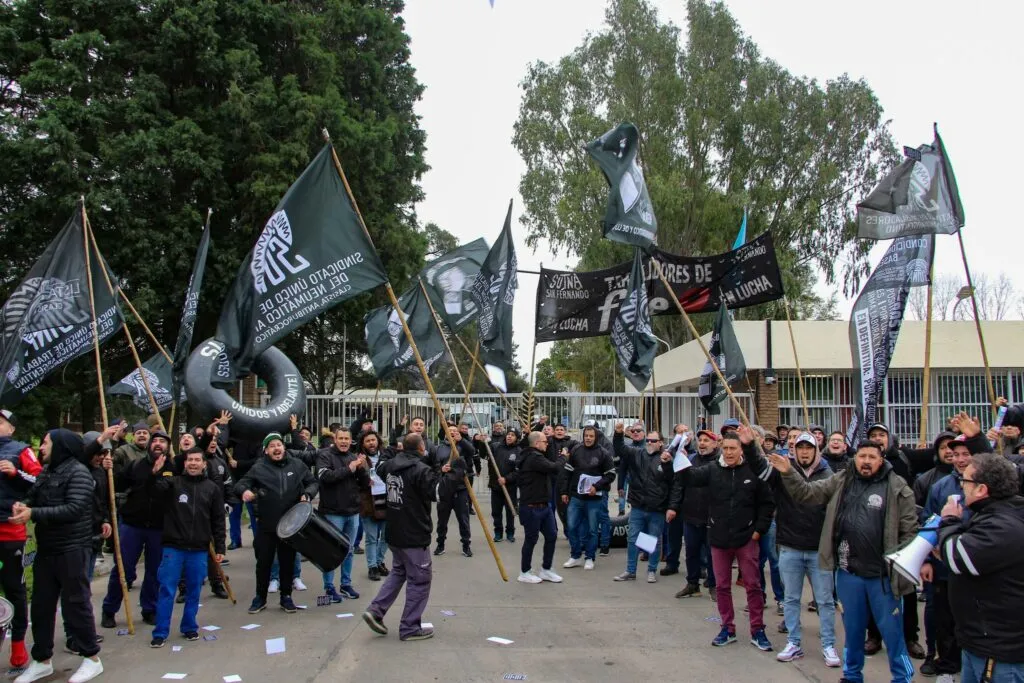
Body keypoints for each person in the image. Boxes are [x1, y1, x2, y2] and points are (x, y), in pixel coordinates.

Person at [767, 440, 918, 683]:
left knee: (892, 634)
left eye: (872, 457)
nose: (866, 461)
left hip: (883, 577)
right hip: (849, 573)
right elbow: (807, 493)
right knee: (854, 631)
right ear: (855, 458)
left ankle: (902, 678)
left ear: (881, 460)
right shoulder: (841, 480)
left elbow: (909, 531)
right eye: (862, 456)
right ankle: (851, 675)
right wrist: (788, 472)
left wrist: (901, 566)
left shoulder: (898, 487)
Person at [11, 429, 103, 683]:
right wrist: (23, 505)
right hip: (47, 549)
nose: (41, 447)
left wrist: (34, 514)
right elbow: (33, 496)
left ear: (61, 445)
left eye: (46, 443)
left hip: (73, 548)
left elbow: (73, 509)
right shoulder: (49, 471)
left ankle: (91, 658)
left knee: (76, 604)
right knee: (41, 607)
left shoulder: (79, 473)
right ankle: (42, 660)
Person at [670, 430, 775, 651]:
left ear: (741, 450)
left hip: (747, 539)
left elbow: (767, 503)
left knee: (753, 586)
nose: (728, 452)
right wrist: (677, 458)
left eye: (732, 449)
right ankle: (728, 628)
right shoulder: (712, 470)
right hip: (718, 539)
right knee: (722, 587)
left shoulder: (752, 471)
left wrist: (758, 532)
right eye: (725, 448)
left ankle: (758, 629)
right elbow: (690, 478)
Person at [746, 431, 840, 667]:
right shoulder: (783, 472)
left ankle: (828, 645)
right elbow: (761, 468)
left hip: (819, 550)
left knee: (825, 601)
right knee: (791, 599)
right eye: (801, 448)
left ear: (816, 449)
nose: (805, 452)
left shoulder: (830, 475)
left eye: (809, 448)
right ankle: (793, 642)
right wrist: (749, 446)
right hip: (790, 547)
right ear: (795, 451)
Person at [935, 452, 1024, 683]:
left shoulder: (1003, 526)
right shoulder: (995, 514)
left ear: (981, 489)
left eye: (965, 481)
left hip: (999, 652)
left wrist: (949, 520)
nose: (961, 486)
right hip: (981, 644)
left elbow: (957, 557)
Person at [362, 433, 441, 641]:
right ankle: (410, 627)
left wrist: (391, 449)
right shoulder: (420, 469)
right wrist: (455, 474)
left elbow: (381, 465)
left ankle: (376, 610)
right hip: (413, 534)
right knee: (420, 580)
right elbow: (439, 493)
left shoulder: (390, 466)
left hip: (395, 532)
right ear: (422, 447)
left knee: (398, 572)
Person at [149, 447, 226, 647]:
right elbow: (155, 491)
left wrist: (220, 548)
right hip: (173, 547)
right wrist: (156, 473)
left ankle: (189, 626)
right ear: (184, 463)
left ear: (203, 464)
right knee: (167, 589)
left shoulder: (212, 489)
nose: (193, 463)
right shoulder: (174, 483)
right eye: (189, 459)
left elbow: (218, 520)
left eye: (197, 460)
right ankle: (160, 631)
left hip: (199, 549)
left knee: (194, 590)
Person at [236, 432, 317, 614]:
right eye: (271, 446)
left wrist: (308, 494)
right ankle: (260, 598)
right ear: (266, 451)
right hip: (266, 525)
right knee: (263, 562)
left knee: (287, 562)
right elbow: (241, 484)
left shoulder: (297, 465)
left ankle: (286, 596)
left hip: (290, 526)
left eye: (278, 445)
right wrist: (244, 492)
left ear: (284, 447)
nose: (276, 448)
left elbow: (312, 482)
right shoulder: (259, 468)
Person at [101, 429, 174, 629]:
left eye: (162, 441)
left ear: (168, 447)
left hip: (158, 528)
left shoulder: (172, 468)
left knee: (154, 571)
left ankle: (149, 609)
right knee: (123, 568)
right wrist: (108, 468)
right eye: (155, 441)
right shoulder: (136, 466)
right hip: (132, 525)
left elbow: (163, 489)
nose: (158, 444)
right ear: (150, 446)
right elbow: (115, 483)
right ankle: (109, 609)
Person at [0, 409, 42, 669]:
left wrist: (15, 472)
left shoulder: (21, 450)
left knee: (14, 590)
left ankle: (18, 650)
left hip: (10, 531)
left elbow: (39, 482)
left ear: (11, 428)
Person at [503, 431, 565, 584]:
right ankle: (525, 571)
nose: (547, 443)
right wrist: (564, 456)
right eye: (545, 441)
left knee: (551, 535)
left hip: (544, 506)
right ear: (537, 443)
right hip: (531, 507)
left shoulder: (535, 456)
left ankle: (546, 569)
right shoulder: (533, 457)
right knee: (531, 539)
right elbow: (554, 467)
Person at [613, 424, 673, 583]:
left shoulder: (666, 459)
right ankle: (630, 570)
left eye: (654, 440)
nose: (650, 443)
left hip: (657, 508)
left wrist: (667, 464)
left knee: (653, 539)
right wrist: (618, 433)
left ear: (661, 442)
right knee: (632, 539)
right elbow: (620, 449)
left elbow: (673, 482)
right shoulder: (637, 453)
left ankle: (652, 570)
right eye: (648, 440)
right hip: (638, 506)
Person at [559, 425, 615, 570]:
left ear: (596, 437)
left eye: (591, 436)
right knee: (571, 526)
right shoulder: (576, 450)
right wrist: (564, 492)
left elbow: (611, 474)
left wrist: (597, 486)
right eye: (586, 436)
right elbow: (567, 472)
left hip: (594, 499)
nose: (588, 438)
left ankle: (590, 557)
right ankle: (575, 556)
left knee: (592, 529)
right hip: (576, 497)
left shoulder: (603, 453)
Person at [673, 428, 719, 599]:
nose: (702, 443)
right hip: (691, 515)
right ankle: (692, 584)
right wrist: (674, 506)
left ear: (715, 444)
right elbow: (679, 484)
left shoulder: (720, 462)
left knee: (712, 554)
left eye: (707, 440)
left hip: (711, 518)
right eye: (700, 440)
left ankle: (714, 585)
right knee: (691, 552)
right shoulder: (690, 459)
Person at [433, 426, 477, 558]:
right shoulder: (439, 448)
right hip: (445, 489)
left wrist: (461, 440)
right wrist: (442, 469)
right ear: (445, 433)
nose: (452, 432)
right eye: (449, 430)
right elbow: (434, 467)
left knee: (463, 519)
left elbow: (472, 451)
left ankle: (466, 545)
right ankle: (440, 545)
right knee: (442, 521)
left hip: (461, 489)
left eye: (454, 430)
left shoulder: (464, 445)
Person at [358, 429, 391, 581]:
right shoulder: (359, 458)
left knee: (386, 535)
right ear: (363, 444)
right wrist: (361, 470)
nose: (371, 443)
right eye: (368, 441)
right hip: (368, 502)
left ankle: (379, 562)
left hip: (387, 500)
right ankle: (372, 567)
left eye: (373, 440)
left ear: (378, 441)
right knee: (371, 538)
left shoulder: (386, 456)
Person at [488, 430, 520, 543]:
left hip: (510, 487)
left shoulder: (518, 451)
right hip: (496, 486)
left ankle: (510, 532)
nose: (509, 437)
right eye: (508, 435)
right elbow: (484, 453)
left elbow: (518, 470)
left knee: (510, 511)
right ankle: (498, 532)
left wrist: (506, 479)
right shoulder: (496, 447)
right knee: (496, 511)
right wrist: (481, 442)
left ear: (516, 438)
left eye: (512, 435)